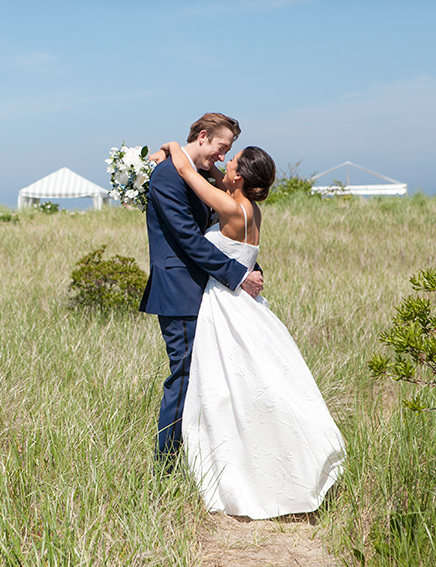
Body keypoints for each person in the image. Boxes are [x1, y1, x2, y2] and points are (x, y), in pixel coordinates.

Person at [156, 140, 346, 520]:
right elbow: (211, 177)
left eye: (232, 161)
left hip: (224, 306)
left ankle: (230, 472)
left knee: (222, 389)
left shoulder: (229, 206)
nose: (224, 163)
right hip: (245, 304)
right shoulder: (250, 208)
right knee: (251, 384)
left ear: (240, 176)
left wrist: (173, 146)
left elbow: (186, 173)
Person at [139, 113, 264, 467]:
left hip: (209, 292)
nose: (223, 157)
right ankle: (166, 466)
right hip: (179, 292)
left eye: (229, 153)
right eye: (222, 148)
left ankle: (209, 460)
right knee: (184, 377)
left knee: (213, 378)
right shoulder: (166, 175)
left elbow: (227, 234)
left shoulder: (203, 178)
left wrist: (250, 267)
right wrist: (239, 275)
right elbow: (188, 239)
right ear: (204, 136)